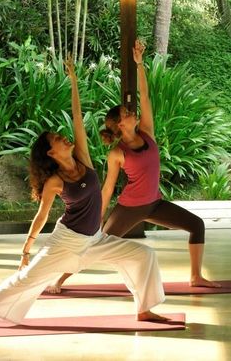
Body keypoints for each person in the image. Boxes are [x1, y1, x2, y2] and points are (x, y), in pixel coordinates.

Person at [0, 56, 166, 332]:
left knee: (144, 254)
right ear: (51, 152)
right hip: (65, 242)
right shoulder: (55, 182)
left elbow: (78, 119)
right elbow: (41, 215)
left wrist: (73, 81)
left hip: (95, 239)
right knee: (25, 279)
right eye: (58, 139)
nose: (64, 137)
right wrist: (26, 250)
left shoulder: (83, 160)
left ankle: (144, 310)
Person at [48, 40, 219, 293]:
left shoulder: (147, 133)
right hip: (129, 208)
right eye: (127, 114)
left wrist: (139, 64)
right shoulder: (117, 153)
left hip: (154, 203)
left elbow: (145, 97)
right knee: (95, 245)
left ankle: (196, 276)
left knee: (197, 225)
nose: (132, 113)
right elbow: (107, 188)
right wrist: (97, 216)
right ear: (120, 125)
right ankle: (59, 280)